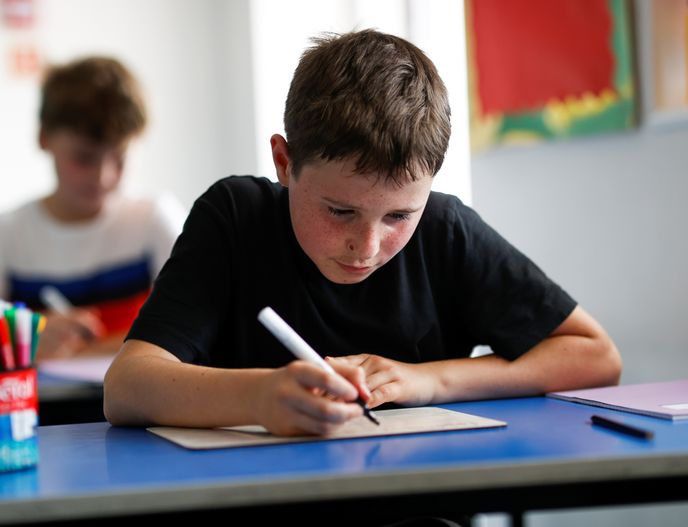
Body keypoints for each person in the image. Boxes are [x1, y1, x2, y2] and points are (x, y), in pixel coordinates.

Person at [104, 28, 620, 441]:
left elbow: (595, 356)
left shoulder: (444, 229)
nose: (368, 247)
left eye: (398, 216)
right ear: (285, 163)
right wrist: (259, 396)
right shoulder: (236, 217)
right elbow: (126, 387)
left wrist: (431, 380)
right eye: (340, 210)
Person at [0, 56, 186, 360]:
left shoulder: (153, 220)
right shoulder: (7, 233)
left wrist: (86, 350)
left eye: (119, 158)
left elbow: (200, 318)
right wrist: (29, 335)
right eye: (84, 158)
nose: (103, 176)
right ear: (44, 139)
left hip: (139, 405)